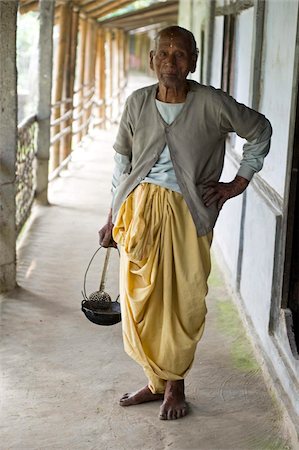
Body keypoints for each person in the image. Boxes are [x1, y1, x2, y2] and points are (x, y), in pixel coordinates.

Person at [99, 25, 272, 421]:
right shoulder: (137, 103)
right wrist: (111, 215)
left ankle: (175, 385)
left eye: (180, 55)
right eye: (163, 54)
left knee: (182, 302)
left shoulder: (212, 103)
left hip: (187, 214)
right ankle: (155, 380)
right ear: (151, 60)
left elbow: (260, 130)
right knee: (140, 301)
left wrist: (237, 183)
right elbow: (121, 163)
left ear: (193, 62)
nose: (170, 63)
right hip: (137, 212)